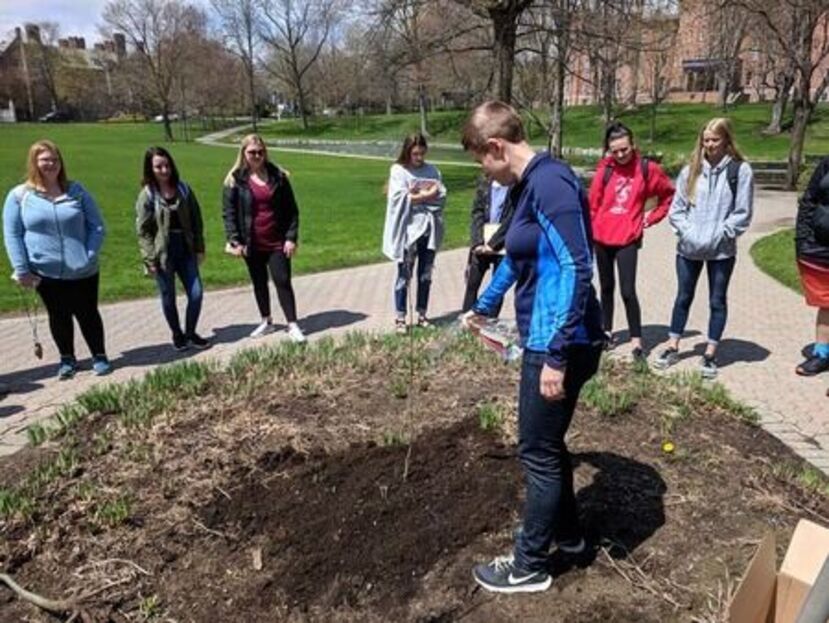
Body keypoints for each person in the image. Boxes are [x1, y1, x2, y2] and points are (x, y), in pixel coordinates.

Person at [460, 101, 603, 594]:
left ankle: (529, 564)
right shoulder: (528, 188)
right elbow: (516, 258)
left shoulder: (551, 184)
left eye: (481, 160)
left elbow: (577, 268)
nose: (484, 171)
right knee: (548, 446)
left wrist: (557, 355)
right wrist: (484, 305)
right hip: (547, 338)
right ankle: (569, 538)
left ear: (496, 147)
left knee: (537, 450)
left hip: (561, 340)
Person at [653, 117, 754, 379]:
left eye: (715, 140)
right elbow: (677, 210)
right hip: (689, 248)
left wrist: (721, 234)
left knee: (717, 300)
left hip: (721, 250)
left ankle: (710, 352)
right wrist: (689, 233)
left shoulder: (740, 171)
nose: (709, 145)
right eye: (706, 140)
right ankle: (673, 345)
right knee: (683, 296)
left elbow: (742, 213)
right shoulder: (691, 171)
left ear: (726, 141)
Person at [3, 139, 112, 379]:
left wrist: (89, 254)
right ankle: (67, 359)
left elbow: (97, 227)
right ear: (34, 163)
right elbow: (13, 234)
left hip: (83, 269)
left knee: (88, 313)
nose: (50, 164)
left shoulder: (77, 191)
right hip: (46, 271)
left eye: (55, 159)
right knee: (58, 315)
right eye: (45, 160)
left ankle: (99, 355)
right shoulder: (20, 196)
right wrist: (21, 268)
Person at [588, 122, 674, 359]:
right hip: (602, 237)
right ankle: (607, 331)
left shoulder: (648, 169)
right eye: (614, 151)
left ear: (632, 145)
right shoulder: (605, 169)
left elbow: (668, 196)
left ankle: (637, 340)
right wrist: (590, 231)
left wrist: (651, 218)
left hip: (627, 237)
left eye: (624, 149)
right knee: (606, 288)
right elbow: (593, 204)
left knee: (628, 290)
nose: (620, 155)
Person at [222, 134, 306, 343]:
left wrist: (291, 238)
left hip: (277, 240)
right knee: (259, 282)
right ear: (243, 153)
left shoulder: (278, 176)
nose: (257, 156)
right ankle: (266, 321)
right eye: (252, 152)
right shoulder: (235, 180)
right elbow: (229, 213)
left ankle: (292, 324)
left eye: (260, 152)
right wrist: (235, 240)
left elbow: (292, 210)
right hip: (252, 242)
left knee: (282, 280)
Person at [136, 147, 209, 351]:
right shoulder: (148, 195)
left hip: (185, 248)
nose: (164, 170)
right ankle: (177, 334)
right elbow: (143, 231)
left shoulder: (183, 189)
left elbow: (196, 220)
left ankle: (191, 332)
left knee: (196, 293)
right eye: (158, 166)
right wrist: (149, 259)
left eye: (167, 165)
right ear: (150, 169)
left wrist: (199, 247)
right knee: (168, 297)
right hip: (162, 253)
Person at [382, 132, 446, 333]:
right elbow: (399, 198)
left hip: (429, 229)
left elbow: (441, 195)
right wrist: (426, 194)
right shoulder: (399, 171)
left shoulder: (433, 170)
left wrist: (420, 195)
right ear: (407, 152)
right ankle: (400, 317)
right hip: (408, 231)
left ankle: (422, 314)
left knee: (425, 274)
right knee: (404, 274)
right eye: (414, 154)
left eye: (421, 153)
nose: (418, 158)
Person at [461, 174, 515, 315]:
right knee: (472, 283)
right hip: (482, 241)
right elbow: (477, 213)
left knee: (497, 286)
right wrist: (478, 242)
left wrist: (493, 244)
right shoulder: (485, 184)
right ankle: (467, 319)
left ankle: (491, 321)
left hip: (502, 243)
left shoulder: (515, 187)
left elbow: (512, 218)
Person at [794, 156, 829, 376]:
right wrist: (802, 238)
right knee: (826, 302)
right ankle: (822, 354)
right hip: (821, 245)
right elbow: (809, 200)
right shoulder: (827, 164)